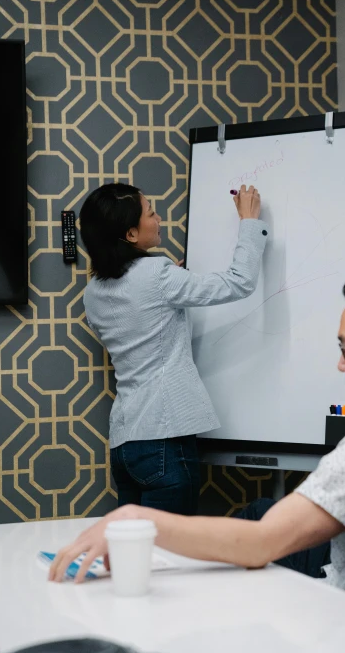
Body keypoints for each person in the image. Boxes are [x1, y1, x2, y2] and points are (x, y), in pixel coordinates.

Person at [49, 268, 345, 609]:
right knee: (259, 507)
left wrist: (135, 518)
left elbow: (259, 544)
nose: (341, 364)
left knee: (237, 547)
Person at [78, 182, 268, 516]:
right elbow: (239, 281)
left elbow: (133, 322)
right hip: (164, 439)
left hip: (125, 444)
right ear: (132, 234)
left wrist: (166, 288)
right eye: (151, 212)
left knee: (135, 555)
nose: (159, 217)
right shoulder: (156, 274)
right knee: (172, 560)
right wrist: (250, 222)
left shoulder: (92, 293)